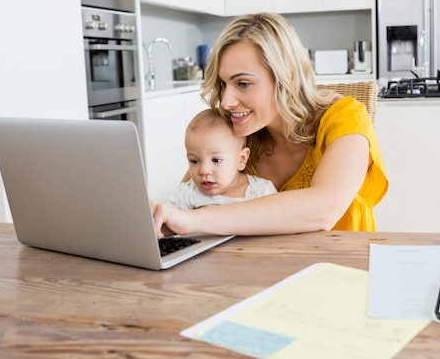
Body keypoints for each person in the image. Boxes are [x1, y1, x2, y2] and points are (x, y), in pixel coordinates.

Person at [152, 12, 388, 238]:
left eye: (243, 83)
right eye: (223, 84)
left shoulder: (346, 118)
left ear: (285, 79)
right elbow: (184, 202)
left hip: (342, 269)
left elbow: (324, 208)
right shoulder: (238, 133)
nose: (226, 101)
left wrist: (195, 220)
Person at [169, 108, 277, 210]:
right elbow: (163, 223)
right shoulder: (187, 193)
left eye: (216, 160)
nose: (203, 170)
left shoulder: (261, 191)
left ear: (241, 160)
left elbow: (279, 224)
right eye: (194, 161)